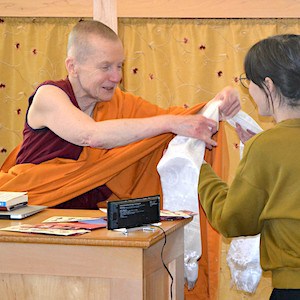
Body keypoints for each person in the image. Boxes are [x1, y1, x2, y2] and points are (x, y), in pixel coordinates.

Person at [0, 20, 240, 209]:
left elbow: (176, 118)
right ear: (72, 66)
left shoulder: (119, 104)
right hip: (33, 214)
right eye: (105, 67)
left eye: (119, 66)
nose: (116, 77)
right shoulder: (49, 95)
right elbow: (90, 135)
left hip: (86, 222)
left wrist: (217, 104)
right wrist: (171, 123)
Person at [198, 34, 300, 299]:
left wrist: (198, 170)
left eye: (248, 82)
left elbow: (233, 220)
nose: (249, 92)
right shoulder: (268, 146)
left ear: (269, 85)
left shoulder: (267, 147)